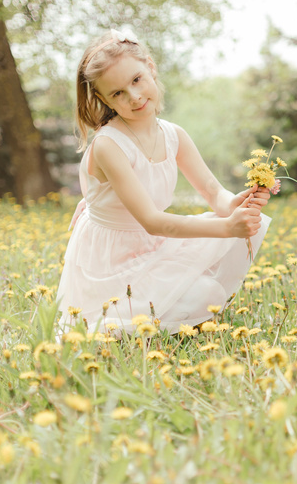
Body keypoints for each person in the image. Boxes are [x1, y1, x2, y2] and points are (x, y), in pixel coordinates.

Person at [55, 29, 270, 335]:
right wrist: (226, 227)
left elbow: (213, 193)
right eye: (118, 93)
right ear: (104, 98)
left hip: (152, 246)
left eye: (137, 80)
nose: (134, 96)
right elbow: (152, 221)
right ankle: (118, 321)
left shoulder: (173, 135)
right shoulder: (108, 146)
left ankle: (162, 313)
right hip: (112, 259)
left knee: (208, 291)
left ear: (151, 69)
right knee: (201, 295)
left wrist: (236, 204)